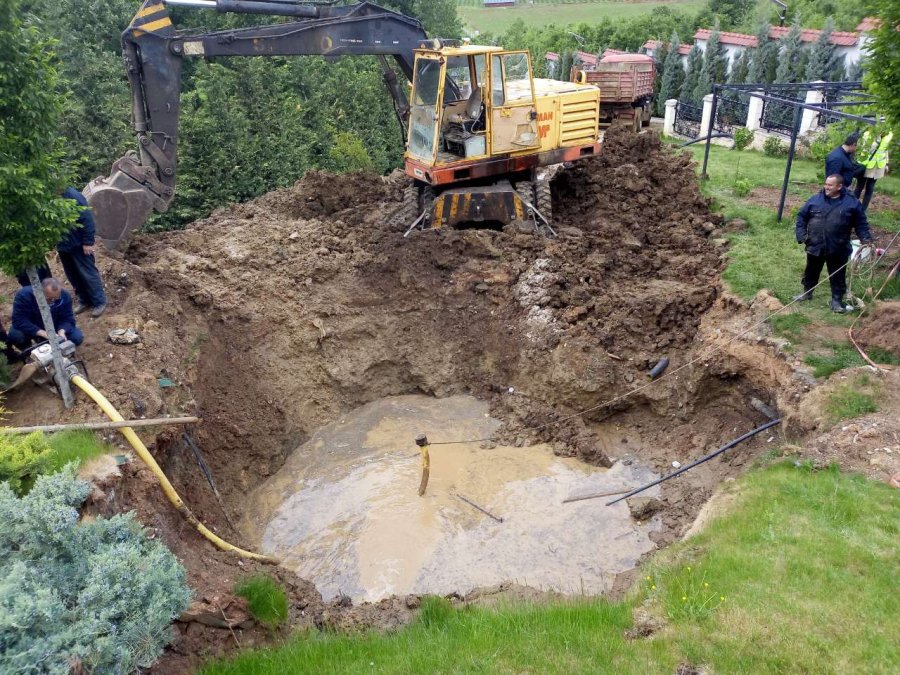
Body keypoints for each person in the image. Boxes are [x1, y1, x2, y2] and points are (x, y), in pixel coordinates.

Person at [794, 174, 872, 313]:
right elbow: (801, 217)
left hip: (838, 247)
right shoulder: (815, 200)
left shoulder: (852, 203)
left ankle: (836, 300)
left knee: (837, 275)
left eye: (830, 185)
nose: (826, 187)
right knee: (811, 270)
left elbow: (861, 224)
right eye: (826, 184)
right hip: (815, 244)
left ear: (839, 186)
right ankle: (807, 292)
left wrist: (866, 239)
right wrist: (802, 235)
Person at [57, 186, 107, 317]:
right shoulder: (51, 199)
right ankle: (84, 300)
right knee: (72, 275)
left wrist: (88, 242)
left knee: (88, 274)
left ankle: (99, 302)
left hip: (79, 244)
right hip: (63, 245)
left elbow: (87, 219)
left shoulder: (72, 195)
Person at [7, 278, 84, 349]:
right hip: (32, 326)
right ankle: (31, 353)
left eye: (56, 298)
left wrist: (62, 330)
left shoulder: (65, 296)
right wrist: (42, 333)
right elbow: (18, 320)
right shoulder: (24, 295)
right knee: (16, 335)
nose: (53, 301)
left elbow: (68, 318)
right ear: (40, 292)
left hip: (55, 325)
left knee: (76, 337)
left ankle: (54, 348)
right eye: (49, 299)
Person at [855, 129, 892, 212]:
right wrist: (877, 139)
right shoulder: (868, 134)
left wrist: (887, 163)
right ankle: (853, 205)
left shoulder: (889, 135)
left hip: (878, 165)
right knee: (860, 185)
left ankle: (863, 210)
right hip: (866, 163)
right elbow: (866, 148)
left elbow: (885, 149)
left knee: (870, 187)